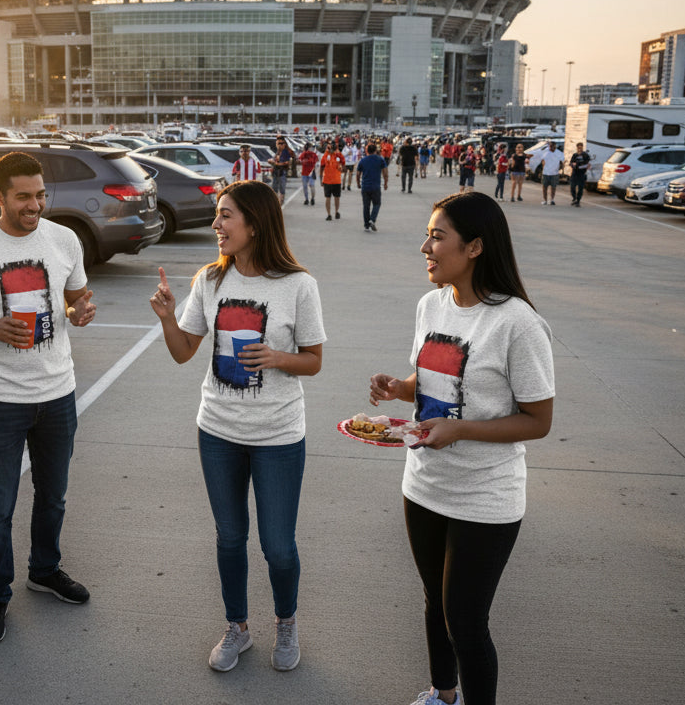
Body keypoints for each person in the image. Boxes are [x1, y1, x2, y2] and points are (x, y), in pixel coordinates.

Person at [367, 191, 555, 705]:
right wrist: (398, 388)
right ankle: (442, 695)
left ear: (474, 247)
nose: (425, 246)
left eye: (436, 235)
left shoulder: (517, 323)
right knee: (435, 603)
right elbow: (432, 382)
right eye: (428, 234)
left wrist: (461, 431)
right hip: (425, 484)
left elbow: (538, 421)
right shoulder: (431, 304)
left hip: (485, 496)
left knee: (466, 621)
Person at [148, 180, 325, 674]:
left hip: (278, 436)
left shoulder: (297, 285)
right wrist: (167, 318)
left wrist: (277, 357)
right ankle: (238, 628)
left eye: (226, 216)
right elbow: (185, 351)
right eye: (217, 215)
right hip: (218, 431)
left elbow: (313, 362)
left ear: (255, 223)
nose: (216, 225)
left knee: (277, 545)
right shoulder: (210, 281)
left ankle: (285, 623)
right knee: (229, 537)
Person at [0, 152, 98, 645]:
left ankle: (44, 570)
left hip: (57, 392)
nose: (35, 205)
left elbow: (78, 296)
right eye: (24, 196)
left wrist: (81, 308)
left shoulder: (63, 238)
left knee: (53, 497)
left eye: (40, 194)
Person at [356, 141, 388, 231]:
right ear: (375, 150)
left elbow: (358, 174)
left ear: (367, 151)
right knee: (377, 204)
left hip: (365, 186)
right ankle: (372, 219)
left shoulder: (363, 160)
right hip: (376, 186)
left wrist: (358, 183)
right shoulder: (380, 159)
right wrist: (385, 183)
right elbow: (385, 172)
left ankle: (366, 225)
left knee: (366, 206)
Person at [320, 141, 345, 221]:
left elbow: (344, 165)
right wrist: (321, 178)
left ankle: (336, 212)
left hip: (336, 180)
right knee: (328, 198)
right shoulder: (325, 155)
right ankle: (329, 214)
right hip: (328, 180)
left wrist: (341, 167)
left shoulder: (339, 155)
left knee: (336, 197)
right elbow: (322, 166)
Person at [270, 136, 293, 205]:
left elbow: (287, 162)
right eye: (278, 143)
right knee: (274, 188)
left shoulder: (286, 152)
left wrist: (277, 164)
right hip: (275, 172)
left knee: (282, 189)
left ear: (284, 144)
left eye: (281, 143)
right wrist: (272, 162)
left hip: (282, 172)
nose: (280, 145)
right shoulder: (275, 152)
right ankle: (276, 203)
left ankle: (280, 204)